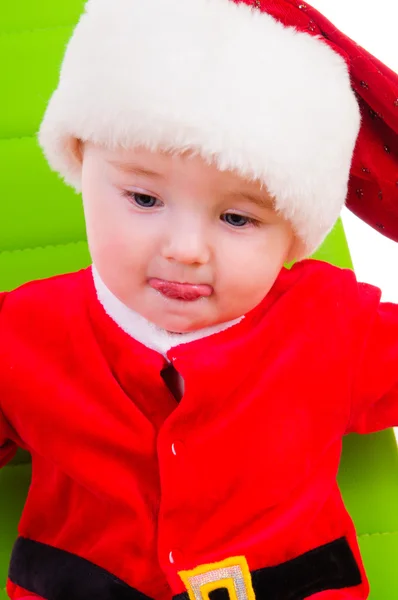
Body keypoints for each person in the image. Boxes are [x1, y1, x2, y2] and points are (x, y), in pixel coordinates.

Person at [1, 0, 398, 599]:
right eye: (142, 199)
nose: (186, 249)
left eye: (237, 218)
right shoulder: (21, 332)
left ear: (294, 232)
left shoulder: (332, 322)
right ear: (82, 164)